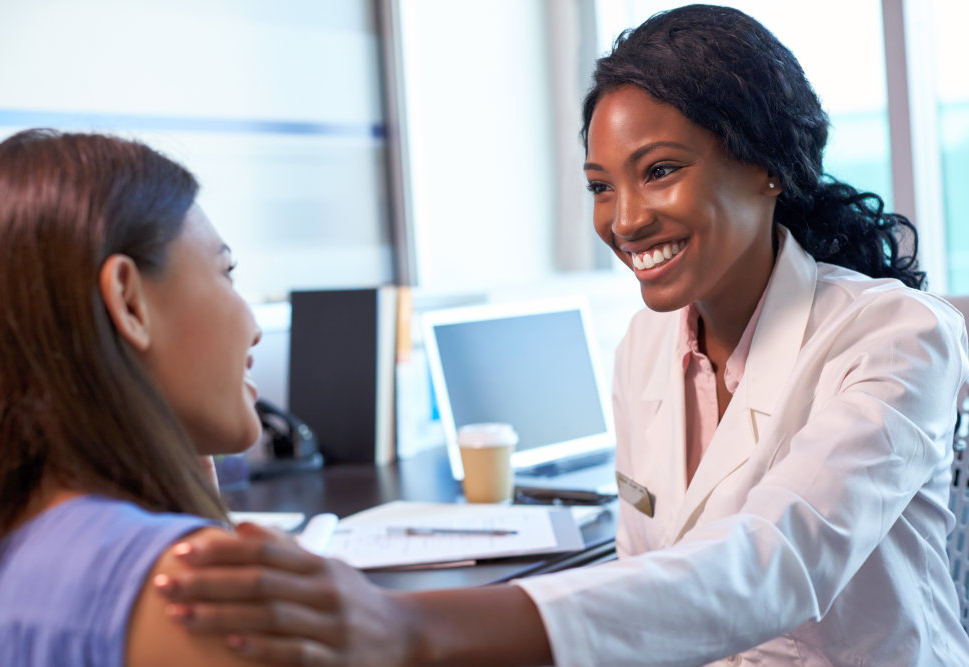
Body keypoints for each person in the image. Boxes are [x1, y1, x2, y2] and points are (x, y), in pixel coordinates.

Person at [152, 4, 969, 665]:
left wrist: (410, 628)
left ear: (768, 167)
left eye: (659, 170)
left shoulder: (895, 334)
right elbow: (650, 576)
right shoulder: (644, 348)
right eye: (599, 186)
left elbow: (773, 567)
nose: (624, 219)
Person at [0, 128, 277, 666]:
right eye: (226, 273)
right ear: (129, 303)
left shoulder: (8, 549)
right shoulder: (190, 597)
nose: (253, 327)